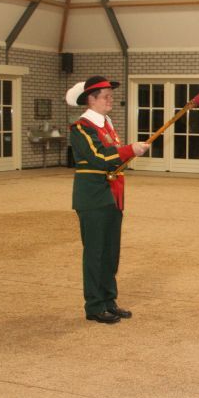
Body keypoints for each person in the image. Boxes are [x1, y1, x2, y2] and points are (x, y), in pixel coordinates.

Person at [66, 76, 150, 324]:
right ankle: (94, 305)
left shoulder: (107, 125)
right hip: (93, 197)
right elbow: (99, 157)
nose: (110, 100)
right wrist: (129, 150)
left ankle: (108, 300)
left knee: (111, 252)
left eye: (111, 96)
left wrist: (131, 152)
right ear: (91, 99)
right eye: (106, 96)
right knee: (95, 253)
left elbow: (116, 160)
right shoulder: (81, 127)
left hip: (112, 196)